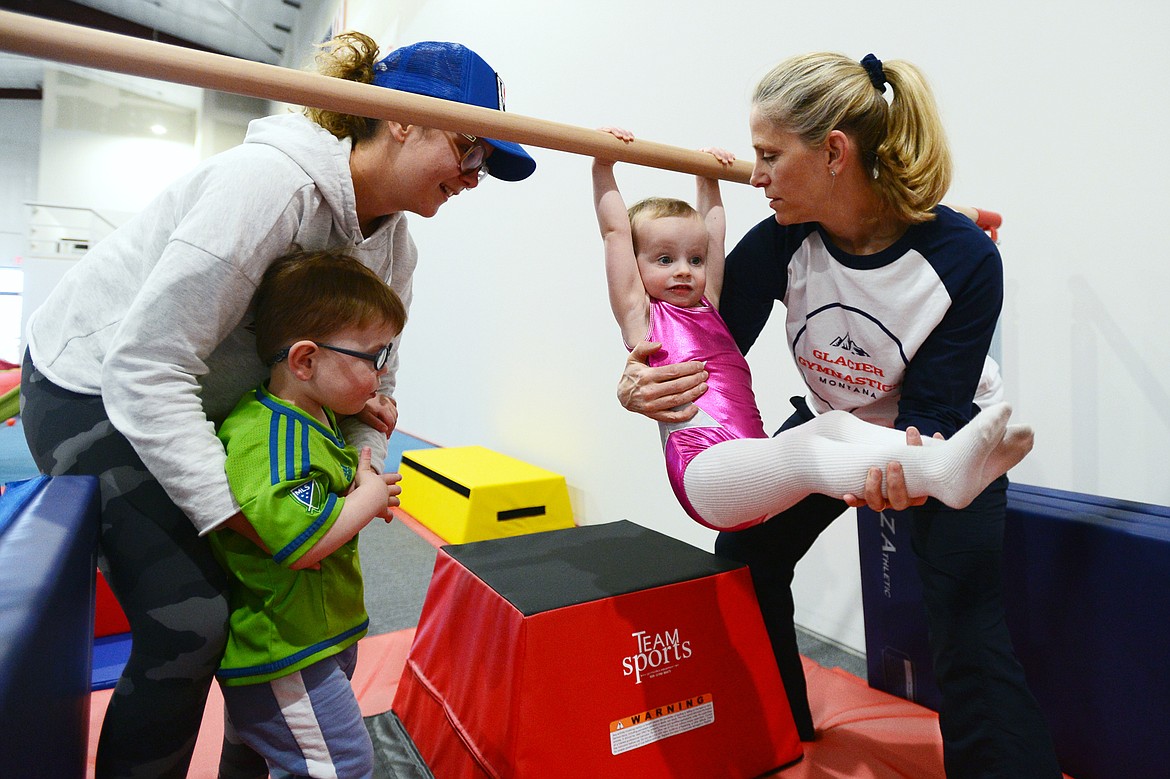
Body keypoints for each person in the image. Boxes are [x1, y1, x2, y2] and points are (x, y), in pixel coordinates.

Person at [19, 32, 535, 778]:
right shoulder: (270, 186)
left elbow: (374, 380)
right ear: (401, 120)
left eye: (487, 162)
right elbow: (147, 364)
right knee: (195, 619)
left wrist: (362, 454)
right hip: (94, 384)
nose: (474, 176)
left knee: (284, 614)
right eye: (469, 150)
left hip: (207, 397)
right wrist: (238, 517)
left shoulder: (397, 249)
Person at [616, 54, 1061, 777]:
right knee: (748, 553)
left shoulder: (965, 259)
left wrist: (903, 468)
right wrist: (637, 384)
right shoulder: (784, 240)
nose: (754, 176)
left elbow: (933, 410)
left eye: (768, 155)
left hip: (944, 436)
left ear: (833, 152)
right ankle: (777, 727)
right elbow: (698, 343)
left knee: (965, 620)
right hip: (834, 423)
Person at [592, 127, 1032, 531]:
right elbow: (615, 232)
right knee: (805, 452)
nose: (684, 271)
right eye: (664, 260)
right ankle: (939, 473)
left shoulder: (709, 301)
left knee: (833, 426)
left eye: (693, 259)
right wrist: (603, 160)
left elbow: (713, 233)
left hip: (754, 457)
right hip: (704, 468)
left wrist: (708, 178)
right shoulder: (643, 316)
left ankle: (939, 460)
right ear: (636, 264)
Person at [210, 250, 405, 779]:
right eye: (371, 356)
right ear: (304, 361)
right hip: (287, 649)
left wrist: (360, 408)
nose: (381, 373)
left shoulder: (313, 414)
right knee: (341, 764)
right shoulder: (269, 437)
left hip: (318, 635)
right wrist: (364, 503)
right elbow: (298, 544)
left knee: (251, 758)